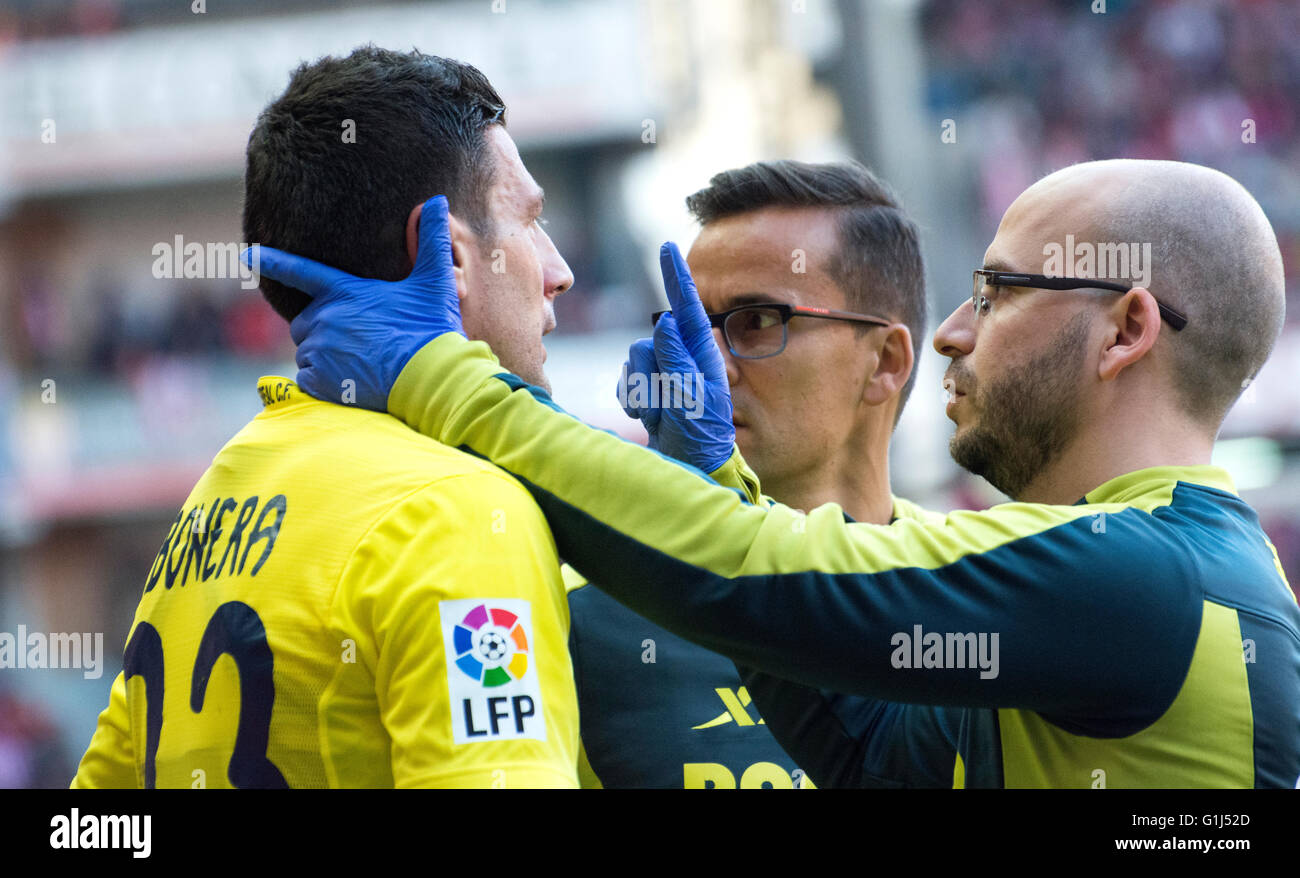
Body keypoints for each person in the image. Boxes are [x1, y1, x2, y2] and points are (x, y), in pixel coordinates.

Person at [257, 157, 1300, 788]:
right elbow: (864, 752)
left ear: (1125, 327)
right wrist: (711, 479)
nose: (952, 333)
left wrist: (442, 375)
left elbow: (750, 565)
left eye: (997, 291)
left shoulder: (1140, 574)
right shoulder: (1151, 584)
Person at [72, 47, 580, 788]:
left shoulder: (215, 497)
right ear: (447, 254)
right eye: (530, 221)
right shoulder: (458, 511)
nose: (559, 269)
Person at [571, 159, 939, 788]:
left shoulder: (972, 591)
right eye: (685, 325)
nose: (703, 365)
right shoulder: (580, 613)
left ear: (885, 361)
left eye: (758, 320)